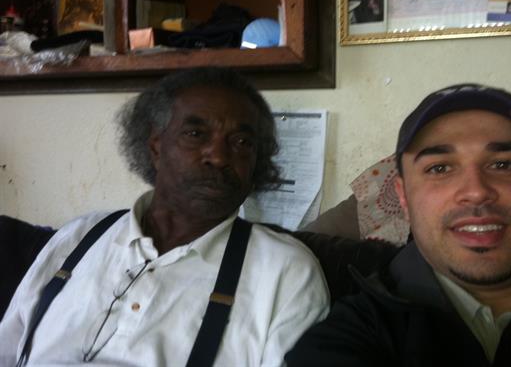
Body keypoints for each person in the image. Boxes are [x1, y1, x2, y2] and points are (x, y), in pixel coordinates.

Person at [0, 67, 329, 366]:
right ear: (156, 147)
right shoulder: (80, 235)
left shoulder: (285, 272)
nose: (218, 156)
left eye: (241, 142)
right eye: (195, 134)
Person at [286, 83, 511, 366]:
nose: (476, 191)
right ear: (403, 197)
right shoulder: (352, 334)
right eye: (439, 168)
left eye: (503, 164)